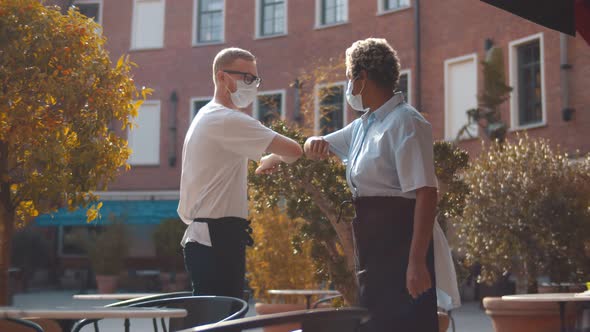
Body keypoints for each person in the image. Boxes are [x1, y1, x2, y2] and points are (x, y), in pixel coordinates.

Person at [305, 38, 439, 331]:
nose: (348, 86)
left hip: (400, 250)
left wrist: (416, 262)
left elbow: (427, 193)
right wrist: (306, 142)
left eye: (349, 77)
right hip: (372, 252)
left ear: (362, 77)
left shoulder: (407, 122)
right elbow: (318, 145)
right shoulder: (363, 125)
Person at [178, 47, 303, 299]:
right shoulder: (226, 120)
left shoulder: (206, 114)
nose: (252, 85)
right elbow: (294, 150)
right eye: (246, 78)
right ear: (222, 77)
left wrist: (267, 158)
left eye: (255, 79)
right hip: (217, 235)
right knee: (221, 320)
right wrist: (274, 158)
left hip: (208, 235)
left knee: (216, 317)